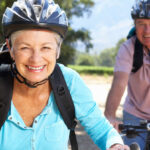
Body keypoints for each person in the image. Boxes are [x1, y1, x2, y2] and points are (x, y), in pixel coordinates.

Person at [0, 0, 130, 150]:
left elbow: (100, 128)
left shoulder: (68, 81)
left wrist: (115, 144)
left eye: (46, 47)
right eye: (25, 48)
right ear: (10, 47)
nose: (36, 59)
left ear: (58, 49)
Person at [104, 0, 150, 149]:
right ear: (134, 25)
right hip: (135, 114)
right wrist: (109, 116)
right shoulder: (129, 48)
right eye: (141, 23)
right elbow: (119, 82)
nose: (147, 30)